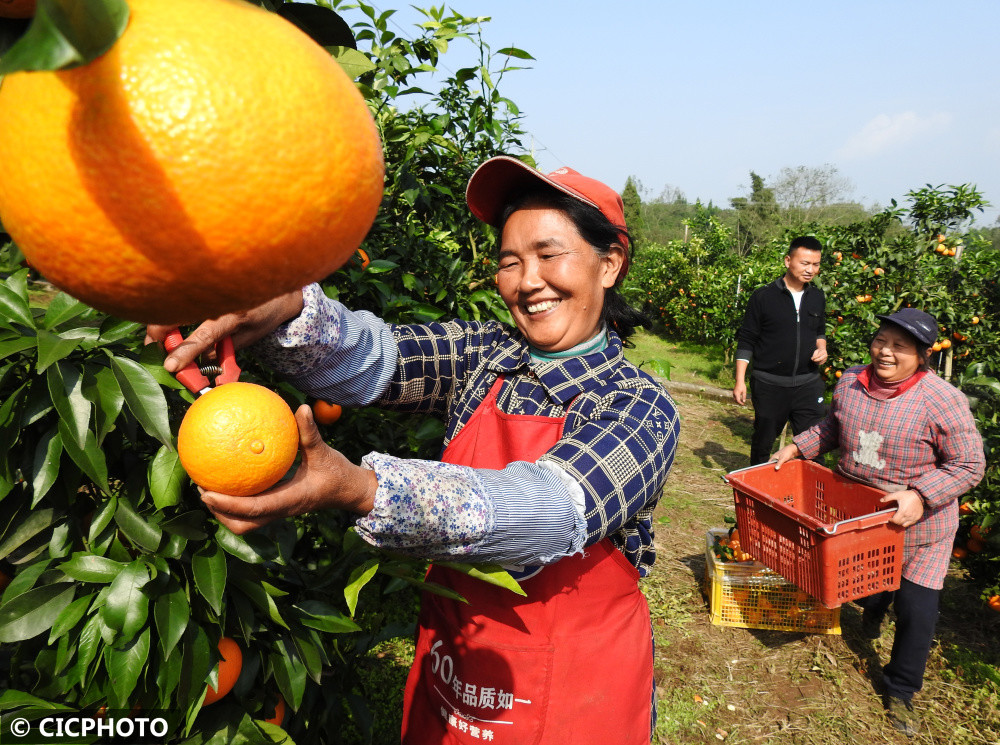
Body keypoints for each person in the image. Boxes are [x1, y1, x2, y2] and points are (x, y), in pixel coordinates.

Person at [148, 155, 680, 745]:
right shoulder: (488, 355)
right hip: (461, 652)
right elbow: (375, 359)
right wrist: (286, 308)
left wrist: (362, 490)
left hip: (580, 682)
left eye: (549, 254)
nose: (527, 281)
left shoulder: (638, 406)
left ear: (610, 263)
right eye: (509, 261)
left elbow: (546, 512)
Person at [772, 308, 985, 738]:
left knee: (916, 610)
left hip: (921, 530)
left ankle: (901, 688)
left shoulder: (941, 400)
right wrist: (796, 449)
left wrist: (921, 494)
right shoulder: (851, 381)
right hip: (863, 519)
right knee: (869, 584)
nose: (885, 352)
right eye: (881, 341)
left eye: (900, 347)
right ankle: (873, 607)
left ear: (922, 356)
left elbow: (969, 464)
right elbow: (833, 428)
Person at [732, 236, 828, 465]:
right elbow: (747, 339)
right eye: (804, 263)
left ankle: (810, 493)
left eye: (815, 264)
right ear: (788, 261)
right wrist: (739, 380)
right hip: (769, 383)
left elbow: (820, 331)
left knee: (813, 444)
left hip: (807, 382)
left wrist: (822, 349)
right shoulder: (764, 297)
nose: (810, 270)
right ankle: (758, 486)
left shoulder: (817, 296)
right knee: (763, 441)